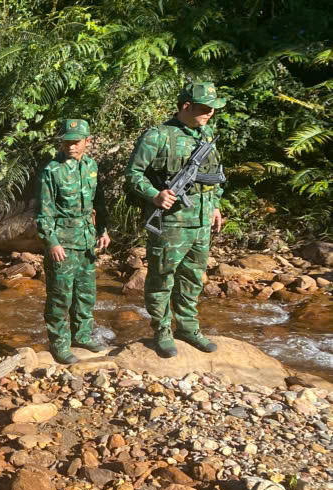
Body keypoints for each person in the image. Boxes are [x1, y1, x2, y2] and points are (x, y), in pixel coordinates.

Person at [126, 80, 227, 357]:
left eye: (213, 109)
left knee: (193, 278)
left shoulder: (206, 135)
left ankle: (188, 327)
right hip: (170, 222)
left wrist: (215, 206)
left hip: (201, 222)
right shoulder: (157, 136)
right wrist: (154, 195)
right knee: (161, 279)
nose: (211, 113)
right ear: (186, 106)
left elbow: (214, 178)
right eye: (206, 108)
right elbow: (133, 174)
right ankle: (162, 331)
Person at [36, 119, 111, 364]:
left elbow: (98, 204)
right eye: (66, 141)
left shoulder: (91, 167)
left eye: (76, 142)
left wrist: (103, 231)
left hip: (87, 241)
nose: (70, 146)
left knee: (85, 293)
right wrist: (52, 242)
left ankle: (81, 335)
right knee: (60, 296)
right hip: (63, 243)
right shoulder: (52, 171)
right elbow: (44, 213)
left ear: (87, 142)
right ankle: (59, 343)